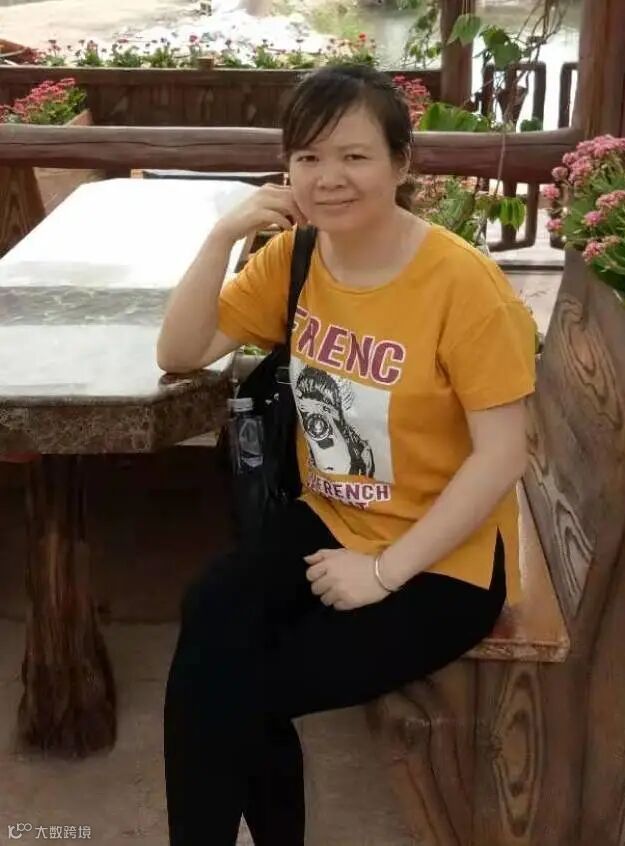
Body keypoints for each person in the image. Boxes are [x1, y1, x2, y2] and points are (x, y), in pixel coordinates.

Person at [156, 62, 536, 846]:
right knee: (209, 611)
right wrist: (223, 235)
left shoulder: (464, 287)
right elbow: (182, 349)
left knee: (235, 689)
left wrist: (383, 572)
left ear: (401, 163)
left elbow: (503, 456)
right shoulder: (296, 258)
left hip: (444, 558)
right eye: (308, 157)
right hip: (331, 517)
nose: (328, 178)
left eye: (354, 156)